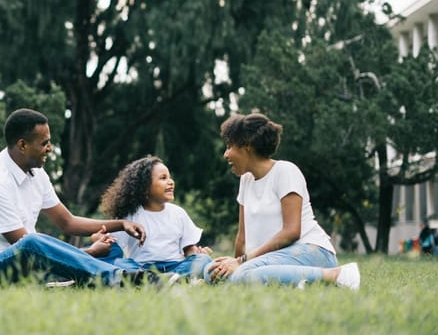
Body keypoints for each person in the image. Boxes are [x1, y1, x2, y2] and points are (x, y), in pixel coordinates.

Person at [0, 108, 155, 288]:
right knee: (31, 242)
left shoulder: (36, 173)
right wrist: (91, 252)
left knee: (111, 249)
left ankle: (147, 274)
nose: (50, 148)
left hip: (30, 265)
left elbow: (68, 222)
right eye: (44, 143)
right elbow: (28, 249)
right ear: (22, 145)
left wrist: (121, 224)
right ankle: (119, 278)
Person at [205, 112, 360, 290]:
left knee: (242, 275)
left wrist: (242, 263)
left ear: (246, 146)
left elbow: (292, 231)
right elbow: (242, 238)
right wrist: (232, 264)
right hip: (271, 258)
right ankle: (296, 282)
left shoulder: (285, 171)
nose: (225, 154)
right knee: (211, 273)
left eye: (229, 146)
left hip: (310, 250)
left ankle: (336, 275)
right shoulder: (246, 180)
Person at [97, 156, 213, 281]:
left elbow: (189, 249)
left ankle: (164, 279)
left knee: (203, 260)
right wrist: (99, 238)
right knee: (121, 264)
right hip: (142, 268)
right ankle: (164, 280)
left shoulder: (178, 213)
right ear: (144, 187)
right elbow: (112, 244)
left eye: (170, 177)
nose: (171, 182)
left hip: (175, 266)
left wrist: (195, 255)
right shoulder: (130, 216)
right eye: (163, 178)